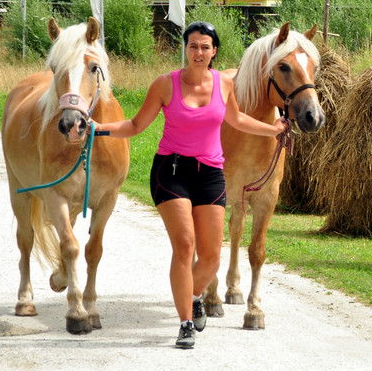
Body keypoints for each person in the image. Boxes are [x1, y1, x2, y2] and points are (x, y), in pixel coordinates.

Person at [93, 21, 289, 349]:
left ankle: (194, 294)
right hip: (171, 172)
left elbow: (237, 120)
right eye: (193, 46)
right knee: (185, 245)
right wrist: (98, 129)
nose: (199, 52)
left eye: (205, 47)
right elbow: (136, 124)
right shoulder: (165, 85)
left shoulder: (225, 84)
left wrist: (273, 130)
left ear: (214, 52)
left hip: (211, 173)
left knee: (211, 258)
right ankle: (185, 322)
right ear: (185, 49)